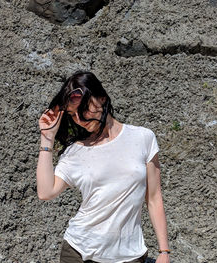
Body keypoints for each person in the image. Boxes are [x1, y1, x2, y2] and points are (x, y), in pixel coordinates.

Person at [37, 71, 170, 263]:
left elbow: (154, 197)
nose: (80, 120)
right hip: (78, 252)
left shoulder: (143, 138)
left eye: (84, 109)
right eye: (73, 115)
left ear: (102, 98)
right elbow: (45, 192)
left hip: (129, 255)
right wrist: (47, 138)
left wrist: (164, 252)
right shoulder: (76, 152)